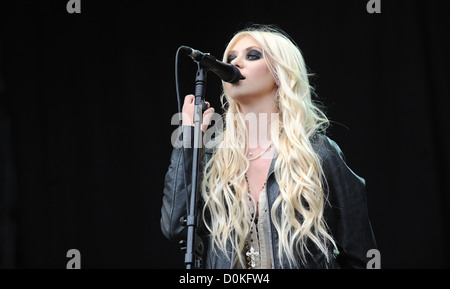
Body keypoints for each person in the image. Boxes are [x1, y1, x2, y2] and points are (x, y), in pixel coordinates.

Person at [161, 25, 377, 269]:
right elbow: (174, 227)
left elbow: (360, 253)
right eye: (231, 58)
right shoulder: (213, 156)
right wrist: (188, 142)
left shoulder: (318, 152)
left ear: (280, 72)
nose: (236, 63)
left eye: (252, 55)